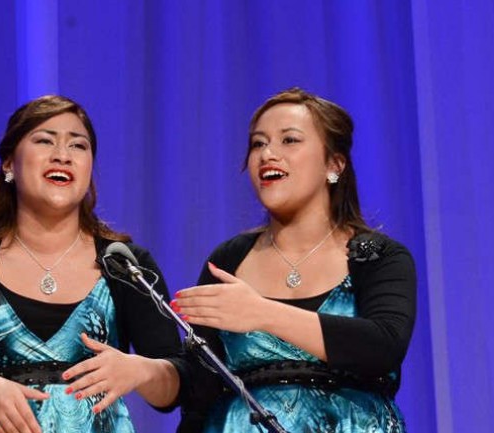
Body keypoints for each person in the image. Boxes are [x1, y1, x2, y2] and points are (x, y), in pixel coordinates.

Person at [0, 95, 183, 433]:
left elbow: (175, 385)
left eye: (78, 145)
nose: (62, 155)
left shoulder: (125, 264)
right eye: (44, 140)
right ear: (9, 164)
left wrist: (141, 370)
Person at [168, 88, 416, 432]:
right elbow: (200, 389)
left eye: (290, 140)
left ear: (334, 164)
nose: (268, 154)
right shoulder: (229, 259)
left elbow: (383, 346)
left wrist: (263, 313)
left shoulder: (376, 256)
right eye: (258, 143)